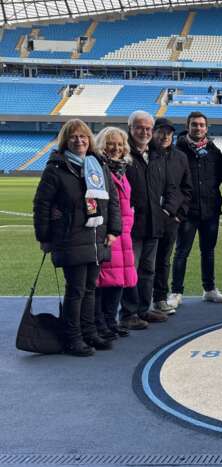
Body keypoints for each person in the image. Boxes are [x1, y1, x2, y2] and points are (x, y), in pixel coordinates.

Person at [33, 119, 120, 356]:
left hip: (96, 237)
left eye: (83, 136)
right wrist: (44, 236)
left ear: (89, 140)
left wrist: (114, 230)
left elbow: (112, 200)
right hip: (71, 237)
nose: (79, 141)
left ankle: (89, 331)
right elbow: (42, 204)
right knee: (77, 290)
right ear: (66, 141)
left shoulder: (98, 165)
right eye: (74, 137)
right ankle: (73, 337)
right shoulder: (57, 168)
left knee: (90, 288)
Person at [120, 110, 181, 329]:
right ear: (130, 128)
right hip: (131, 226)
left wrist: (166, 211)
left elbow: (172, 187)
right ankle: (128, 313)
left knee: (148, 270)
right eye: (139, 127)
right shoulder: (123, 153)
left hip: (154, 224)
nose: (144, 132)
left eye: (148, 128)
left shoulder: (157, 155)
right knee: (131, 270)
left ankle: (144, 309)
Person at [171, 111, 222, 304]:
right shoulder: (177, 150)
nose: (198, 128)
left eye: (202, 125)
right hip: (187, 211)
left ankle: (209, 289)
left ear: (207, 128)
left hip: (210, 210)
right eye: (194, 124)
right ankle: (176, 292)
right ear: (187, 127)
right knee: (181, 252)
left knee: (208, 252)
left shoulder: (214, 151)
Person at [92, 127, 136, 342]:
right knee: (104, 281)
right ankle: (101, 324)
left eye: (119, 144)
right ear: (102, 145)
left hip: (123, 234)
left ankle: (111, 322)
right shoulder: (99, 169)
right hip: (108, 234)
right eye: (111, 143)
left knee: (118, 280)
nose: (116, 148)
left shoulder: (122, 169)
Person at [151, 118, 192, 314]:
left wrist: (178, 214)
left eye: (168, 132)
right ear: (153, 133)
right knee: (145, 261)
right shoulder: (146, 154)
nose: (165, 135)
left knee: (164, 260)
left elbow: (186, 188)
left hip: (171, 219)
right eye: (161, 131)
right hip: (148, 217)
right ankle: (140, 302)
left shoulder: (180, 157)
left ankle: (159, 298)